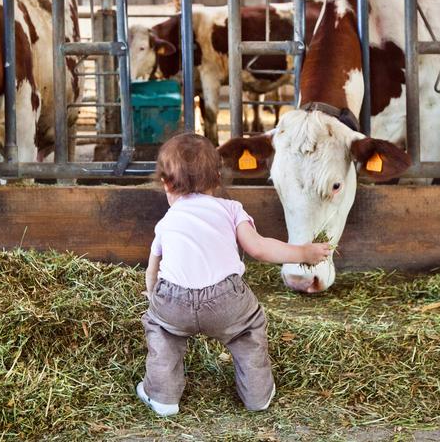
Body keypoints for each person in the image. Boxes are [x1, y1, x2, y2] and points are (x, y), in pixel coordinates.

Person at [136, 133, 333, 417]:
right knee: (247, 330)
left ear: (166, 183)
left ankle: (162, 397)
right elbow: (259, 248)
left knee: (163, 330)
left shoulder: (167, 221)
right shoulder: (230, 209)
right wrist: (303, 253)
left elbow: (152, 266)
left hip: (172, 299)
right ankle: (257, 396)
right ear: (217, 177)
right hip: (225, 300)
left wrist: (153, 295)